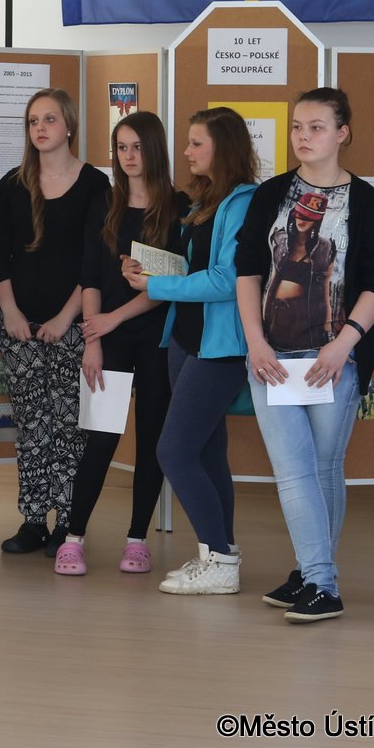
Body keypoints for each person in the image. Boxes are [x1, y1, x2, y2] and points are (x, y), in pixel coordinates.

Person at [235, 88, 374, 623]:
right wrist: (255, 341)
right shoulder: (271, 194)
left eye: (317, 127)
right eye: (297, 127)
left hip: (334, 359)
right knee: (294, 470)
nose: (303, 137)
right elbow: (247, 271)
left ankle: (312, 575)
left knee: (324, 468)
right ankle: (321, 581)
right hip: (273, 358)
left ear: (342, 133)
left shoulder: (366, 201)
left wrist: (345, 342)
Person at [123, 107, 259, 594]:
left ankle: (219, 559)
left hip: (218, 349)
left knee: (174, 451)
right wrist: (147, 271)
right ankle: (221, 552)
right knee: (207, 451)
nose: (186, 152)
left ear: (223, 147)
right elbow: (190, 268)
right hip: (185, 341)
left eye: (196, 143)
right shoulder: (205, 199)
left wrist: (156, 285)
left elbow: (226, 280)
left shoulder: (243, 202)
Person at [55, 111, 186, 576]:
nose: (129, 156)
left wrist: (113, 319)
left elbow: (170, 283)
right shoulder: (105, 203)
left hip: (156, 339)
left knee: (152, 439)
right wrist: (93, 337)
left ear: (155, 149)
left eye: (137, 147)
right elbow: (90, 274)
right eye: (121, 147)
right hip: (106, 338)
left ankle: (137, 540)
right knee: (99, 438)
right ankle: (73, 539)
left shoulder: (180, 206)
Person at [0, 89, 110, 555]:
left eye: (50, 119)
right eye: (33, 121)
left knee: (69, 427)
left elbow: (94, 263)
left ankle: (68, 523)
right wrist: (11, 311)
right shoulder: (12, 184)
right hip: (20, 327)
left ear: (70, 125)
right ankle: (34, 519)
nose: (40, 128)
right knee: (31, 425)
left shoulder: (95, 185)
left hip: (73, 327)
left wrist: (64, 318)